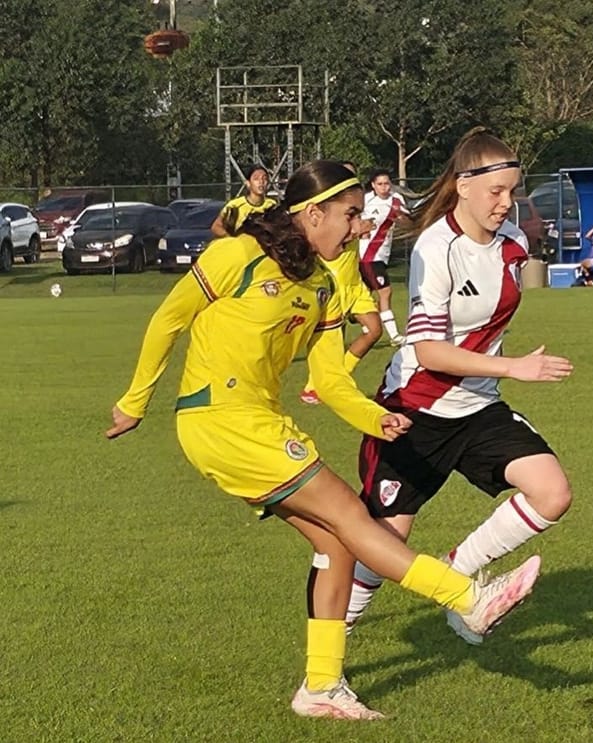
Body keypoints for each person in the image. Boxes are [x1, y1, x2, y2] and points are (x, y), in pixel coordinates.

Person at [105, 159, 541, 720]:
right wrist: (135, 401)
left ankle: (320, 687)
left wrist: (373, 418)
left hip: (260, 422)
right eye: (350, 214)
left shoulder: (322, 284)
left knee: (336, 544)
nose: (359, 226)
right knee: (353, 518)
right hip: (220, 420)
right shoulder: (237, 255)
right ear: (313, 213)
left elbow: (330, 378)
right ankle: (468, 597)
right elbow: (168, 320)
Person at [343, 128, 574, 648]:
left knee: (552, 492)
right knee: (384, 543)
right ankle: (329, 651)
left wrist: (500, 372)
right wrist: (514, 368)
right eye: (496, 191)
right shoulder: (435, 248)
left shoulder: (514, 244)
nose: (506, 202)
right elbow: (428, 351)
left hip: (478, 406)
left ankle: (457, 573)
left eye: (512, 190)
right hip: (415, 409)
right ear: (463, 186)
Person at [299, 160, 383, 405]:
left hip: (354, 283)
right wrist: (359, 229)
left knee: (374, 330)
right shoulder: (330, 210)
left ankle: (340, 377)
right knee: (330, 344)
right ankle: (314, 388)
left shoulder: (355, 207)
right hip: (335, 281)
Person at [359, 169, 410, 346]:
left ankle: (365, 326)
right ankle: (394, 336)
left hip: (383, 253)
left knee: (364, 295)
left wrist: (400, 216)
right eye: (380, 184)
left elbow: (406, 222)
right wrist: (362, 229)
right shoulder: (366, 200)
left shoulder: (396, 200)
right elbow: (354, 220)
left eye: (386, 183)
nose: (384, 187)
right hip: (368, 254)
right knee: (385, 292)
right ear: (373, 185)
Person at [211, 163, 277, 237]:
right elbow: (216, 227)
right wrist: (232, 240)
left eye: (264, 178)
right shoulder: (235, 205)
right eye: (256, 178)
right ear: (248, 183)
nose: (261, 182)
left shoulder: (272, 205)